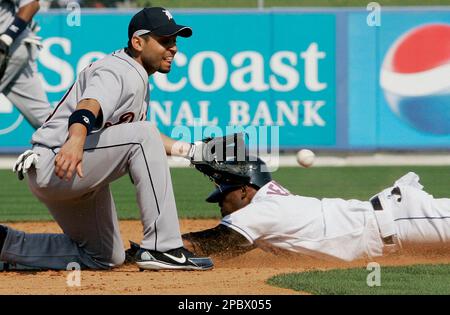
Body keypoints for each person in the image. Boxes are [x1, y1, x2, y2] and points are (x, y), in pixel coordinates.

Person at [0, 7, 214, 272]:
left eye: (174, 41)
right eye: (164, 41)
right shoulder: (118, 70)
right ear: (138, 42)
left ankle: (7, 245)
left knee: (105, 257)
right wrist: (76, 140)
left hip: (75, 172)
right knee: (143, 134)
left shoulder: (136, 75)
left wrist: (194, 151)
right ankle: (163, 247)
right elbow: (89, 106)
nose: (173, 49)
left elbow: (140, 136)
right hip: (59, 161)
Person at [180, 157, 450, 262]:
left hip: (402, 220)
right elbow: (228, 250)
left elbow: (212, 243)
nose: (219, 202)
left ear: (244, 190)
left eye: (224, 193)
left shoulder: (262, 212)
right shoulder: (268, 209)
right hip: (397, 228)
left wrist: (153, 249)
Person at [0, 0, 52, 129]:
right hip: (15, 49)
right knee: (44, 119)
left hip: (9, 47)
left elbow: (31, 4)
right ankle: (81, 143)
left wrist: (7, 38)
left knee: (43, 118)